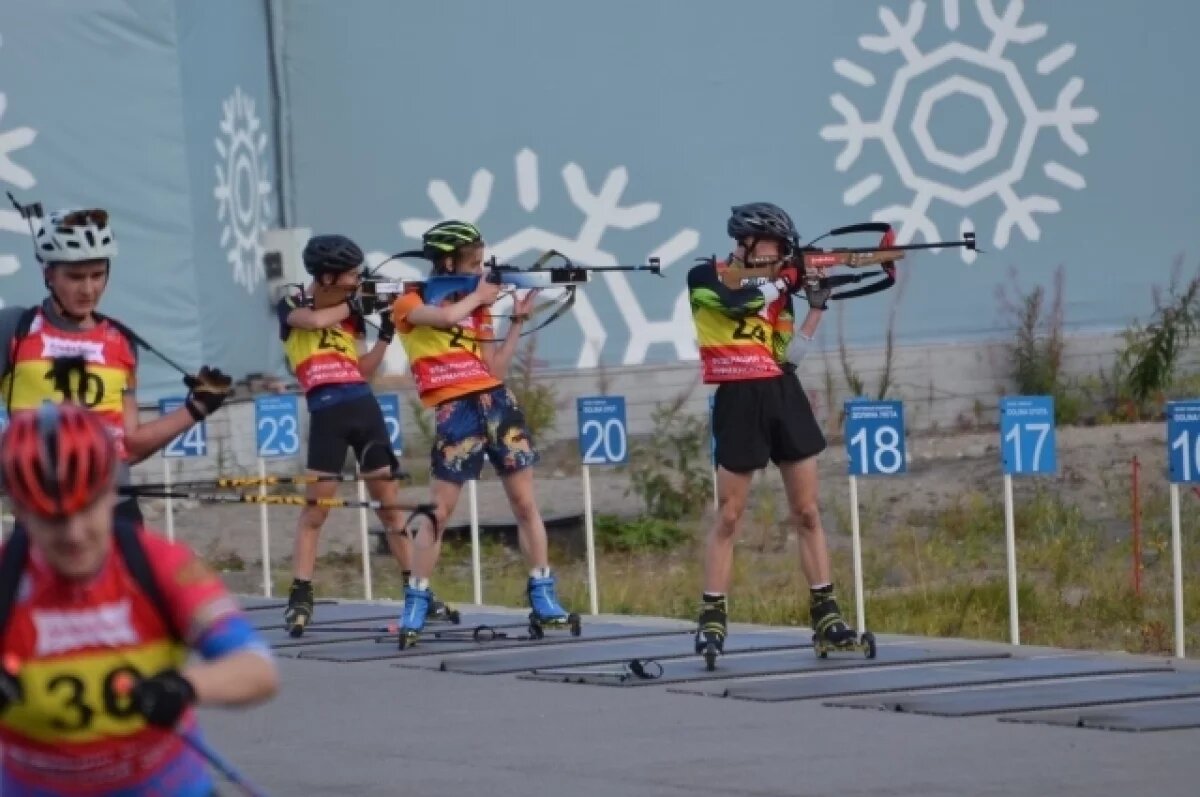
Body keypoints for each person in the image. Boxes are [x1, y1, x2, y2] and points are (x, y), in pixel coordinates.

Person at [0, 400, 279, 796]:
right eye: (53, 520)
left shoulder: (158, 563)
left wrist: (184, 686)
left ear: (110, 494)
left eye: (87, 509)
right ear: (21, 512)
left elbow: (257, 669)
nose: (75, 534)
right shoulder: (7, 579)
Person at [388, 220, 577, 647]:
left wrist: (515, 322)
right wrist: (479, 296)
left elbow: (493, 369)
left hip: (496, 402)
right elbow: (442, 316)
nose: (479, 268)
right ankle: (416, 600)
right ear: (448, 261)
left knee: (526, 504)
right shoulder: (409, 301)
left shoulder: (479, 306)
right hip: (454, 409)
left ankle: (543, 595)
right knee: (438, 511)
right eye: (473, 261)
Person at [686, 202, 857, 659]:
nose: (781, 253)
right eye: (774, 245)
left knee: (807, 512)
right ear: (745, 242)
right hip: (737, 398)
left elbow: (787, 357)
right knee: (729, 516)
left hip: (782, 393)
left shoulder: (777, 292)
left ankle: (827, 613)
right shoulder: (706, 275)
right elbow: (735, 301)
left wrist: (815, 310)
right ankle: (713, 617)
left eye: (785, 248)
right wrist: (784, 279)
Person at [0, 202, 233, 524]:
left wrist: (197, 409)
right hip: (43, 513)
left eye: (97, 275)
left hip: (114, 506)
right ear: (49, 274)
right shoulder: (15, 329)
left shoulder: (120, 341)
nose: (88, 289)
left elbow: (130, 446)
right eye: (75, 276)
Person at [276, 233, 451, 636]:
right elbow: (315, 320)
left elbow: (361, 368)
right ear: (326, 277)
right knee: (316, 510)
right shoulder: (290, 304)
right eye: (351, 275)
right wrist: (354, 303)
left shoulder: (349, 314)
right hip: (326, 414)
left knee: (389, 509)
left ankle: (417, 592)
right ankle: (301, 593)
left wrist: (386, 335)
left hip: (364, 408)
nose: (357, 280)